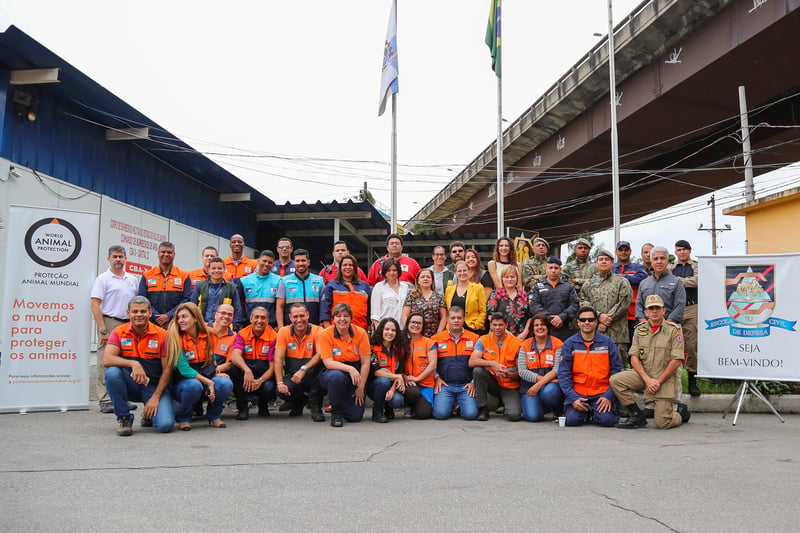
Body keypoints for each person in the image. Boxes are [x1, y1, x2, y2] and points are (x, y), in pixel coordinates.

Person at [611, 295, 691, 429]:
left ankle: (680, 413)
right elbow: (634, 357)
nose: (654, 311)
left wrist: (658, 381)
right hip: (645, 375)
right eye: (651, 308)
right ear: (646, 312)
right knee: (616, 380)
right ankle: (636, 415)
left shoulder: (674, 330)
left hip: (664, 379)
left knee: (662, 423)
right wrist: (647, 379)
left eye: (657, 308)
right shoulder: (639, 329)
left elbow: (677, 360)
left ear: (663, 311)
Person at [103, 296, 174, 435]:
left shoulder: (163, 335)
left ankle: (148, 416)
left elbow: (167, 369)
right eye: (135, 312)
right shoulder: (118, 332)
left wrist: (156, 397)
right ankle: (124, 417)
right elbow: (107, 359)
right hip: (131, 384)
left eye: (143, 311)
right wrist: (133, 363)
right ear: (128, 313)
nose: (139, 315)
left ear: (150, 313)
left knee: (165, 426)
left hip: (153, 387)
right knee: (112, 373)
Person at [167, 302, 233, 430]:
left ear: (195, 318)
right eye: (178, 318)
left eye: (184, 317)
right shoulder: (175, 338)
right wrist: (209, 382)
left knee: (225, 383)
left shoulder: (210, 334)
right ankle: (184, 417)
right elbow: (185, 370)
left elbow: (212, 359)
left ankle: (214, 416)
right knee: (194, 385)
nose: (180, 321)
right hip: (183, 382)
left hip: (204, 375)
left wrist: (216, 373)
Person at [90, 245, 139, 413]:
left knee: (124, 362)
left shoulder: (132, 279)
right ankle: (104, 399)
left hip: (129, 324)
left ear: (126, 259)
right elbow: (95, 303)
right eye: (115, 256)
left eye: (121, 256)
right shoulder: (103, 279)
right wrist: (102, 329)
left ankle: (120, 398)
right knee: (105, 361)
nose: (118, 259)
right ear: (109, 259)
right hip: (110, 322)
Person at [557, 306, 623, 427]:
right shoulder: (569, 344)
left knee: (607, 421)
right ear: (578, 322)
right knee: (572, 420)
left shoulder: (607, 342)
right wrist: (573, 398)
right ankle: (585, 412)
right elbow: (563, 374)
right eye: (583, 320)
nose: (586, 322)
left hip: (601, 393)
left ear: (596, 322)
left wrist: (609, 396)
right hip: (579, 393)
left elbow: (617, 371)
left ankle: (596, 411)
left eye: (590, 319)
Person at [318, 303, 371, 427]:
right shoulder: (326, 334)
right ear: (333, 319)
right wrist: (350, 368)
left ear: (351, 318)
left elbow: (365, 363)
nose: (342, 319)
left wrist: (361, 387)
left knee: (355, 416)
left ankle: (343, 404)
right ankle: (336, 413)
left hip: (355, 376)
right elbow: (328, 362)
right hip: (333, 372)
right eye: (338, 316)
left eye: (346, 316)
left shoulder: (361, 333)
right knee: (337, 377)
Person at [579, 248, 633, 361]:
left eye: (607, 259)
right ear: (596, 263)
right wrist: (598, 316)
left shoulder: (622, 282)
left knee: (618, 369)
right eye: (601, 259)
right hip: (594, 332)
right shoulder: (589, 284)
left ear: (612, 262)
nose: (604, 262)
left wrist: (607, 320)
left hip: (617, 334)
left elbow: (624, 302)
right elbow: (583, 301)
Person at [273, 303, 325, 421]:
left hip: (313, 374)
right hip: (293, 375)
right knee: (280, 390)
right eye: (295, 317)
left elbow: (320, 354)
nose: (299, 320)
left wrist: (304, 369)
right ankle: (299, 402)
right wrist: (280, 382)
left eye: (302, 316)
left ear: (308, 315)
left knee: (321, 377)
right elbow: (278, 358)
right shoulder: (283, 332)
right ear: (290, 317)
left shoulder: (318, 331)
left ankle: (316, 407)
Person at [469, 312, 522, 421]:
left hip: (509, 384)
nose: (497, 328)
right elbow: (472, 361)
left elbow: (521, 372)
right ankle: (483, 408)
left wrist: (510, 374)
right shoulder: (483, 340)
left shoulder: (517, 343)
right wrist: (492, 364)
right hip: (492, 382)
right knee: (478, 371)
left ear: (506, 325)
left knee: (514, 416)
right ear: (490, 325)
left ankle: (506, 405)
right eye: (495, 325)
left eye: (500, 325)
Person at [229, 306, 277, 420]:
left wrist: (260, 381)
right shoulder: (242, 333)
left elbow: (273, 367)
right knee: (234, 369)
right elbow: (235, 355)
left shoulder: (274, 336)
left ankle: (263, 405)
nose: (259, 321)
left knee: (269, 387)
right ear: (251, 319)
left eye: (263, 318)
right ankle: (243, 408)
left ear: (267, 320)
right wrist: (247, 370)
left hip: (264, 375)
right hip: (247, 375)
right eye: (256, 317)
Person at [431, 307, 479, 420]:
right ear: (447, 319)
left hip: (466, 385)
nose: (456, 321)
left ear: (464, 319)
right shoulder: (436, 339)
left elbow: (480, 363)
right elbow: (431, 363)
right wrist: (436, 377)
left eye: (459, 318)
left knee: (471, 415)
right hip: (445, 385)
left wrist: (473, 382)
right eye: (453, 318)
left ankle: (459, 405)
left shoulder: (475, 338)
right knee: (440, 414)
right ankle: (453, 403)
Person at [517, 314, 564, 422]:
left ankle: (557, 410)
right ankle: (542, 407)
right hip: (529, 386)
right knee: (533, 417)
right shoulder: (525, 345)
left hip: (551, 385)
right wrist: (542, 381)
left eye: (542, 324)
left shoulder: (558, 344)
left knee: (550, 392)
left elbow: (557, 369)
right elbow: (522, 371)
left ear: (547, 327)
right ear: (532, 329)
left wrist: (539, 384)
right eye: (536, 325)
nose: (539, 327)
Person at [671, 239, 700, 397]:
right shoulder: (671, 267)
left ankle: (693, 381)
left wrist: (678, 281)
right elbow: (668, 284)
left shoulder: (696, 265)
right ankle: (671, 381)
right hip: (674, 308)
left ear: (689, 251)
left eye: (684, 249)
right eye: (679, 249)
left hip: (692, 307)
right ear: (675, 252)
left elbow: (697, 281)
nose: (681, 252)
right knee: (671, 346)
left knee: (691, 345)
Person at [137, 241, 191, 327]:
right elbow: (142, 298)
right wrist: (156, 316)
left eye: (169, 252)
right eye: (163, 252)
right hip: (151, 322)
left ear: (174, 255)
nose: (166, 254)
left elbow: (186, 300)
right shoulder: (147, 275)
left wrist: (169, 315)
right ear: (158, 254)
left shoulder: (184, 276)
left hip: (175, 323)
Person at [528, 256, 579, 341]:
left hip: (564, 328)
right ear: (546, 269)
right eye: (550, 268)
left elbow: (574, 304)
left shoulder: (568, 286)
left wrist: (562, 317)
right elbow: (534, 305)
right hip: (543, 328)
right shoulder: (537, 286)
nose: (553, 270)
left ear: (560, 269)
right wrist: (549, 318)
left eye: (556, 268)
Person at [367, 318, 408, 423]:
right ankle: (377, 412)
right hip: (375, 385)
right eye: (387, 329)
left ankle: (388, 408)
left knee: (398, 401)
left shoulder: (400, 349)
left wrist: (392, 390)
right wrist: (397, 377)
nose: (390, 333)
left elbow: (400, 372)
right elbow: (376, 372)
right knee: (383, 380)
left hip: (391, 385)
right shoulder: (372, 347)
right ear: (381, 330)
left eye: (393, 330)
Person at [636, 246, 686, 324]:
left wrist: (666, 325)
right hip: (647, 328)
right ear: (651, 262)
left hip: (670, 327)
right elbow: (639, 305)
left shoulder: (677, 282)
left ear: (667, 261)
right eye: (656, 259)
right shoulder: (644, 283)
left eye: (662, 258)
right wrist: (645, 324)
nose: (659, 262)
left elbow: (679, 306)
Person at [320, 254, 371, 330]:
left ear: (355, 268)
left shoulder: (365, 286)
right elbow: (324, 311)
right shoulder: (331, 286)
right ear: (340, 268)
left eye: (350, 265)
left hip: (360, 331)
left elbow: (369, 311)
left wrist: (369, 331)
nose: (347, 267)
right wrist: (329, 331)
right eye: (345, 265)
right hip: (336, 331)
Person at [275, 249, 324, 327]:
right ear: (294, 263)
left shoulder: (319, 281)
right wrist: (281, 328)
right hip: (291, 329)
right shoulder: (284, 281)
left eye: (303, 260)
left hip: (314, 329)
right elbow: (279, 306)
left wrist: (322, 323)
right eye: (297, 261)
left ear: (308, 262)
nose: (300, 263)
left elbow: (323, 306)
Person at [402, 312, 438, 419]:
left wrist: (417, 378)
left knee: (423, 414)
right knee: (412, 393)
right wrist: (405, 377)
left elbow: (433, 365)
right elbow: (398, 365)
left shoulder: (429, 343)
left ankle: (415, 406)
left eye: (419, 323)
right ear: (408, 324)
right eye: (413, 322)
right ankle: (408, 405)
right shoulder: (402, 343)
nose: (416, 325)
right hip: (409, 383)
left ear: (423, 326)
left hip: (426, 384)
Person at [190, 256, 242, 329]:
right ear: (208, 270)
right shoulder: (199, 286)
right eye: (213, 268)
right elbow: (192, 307)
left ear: (224, 270)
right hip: (202, 327)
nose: (216, 271)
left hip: (224, 328)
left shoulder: (232, 288)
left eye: (220, 268)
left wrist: (235, 328)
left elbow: (237, 310)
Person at [612, 240, 649, 342]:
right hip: (616, 315)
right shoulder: (612, 267)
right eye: (621, 250)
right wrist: (629, 278)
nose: (623, 252)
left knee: (636, 345)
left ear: (630, 251)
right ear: (616, 252)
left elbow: (641, 278)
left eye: (626, 250)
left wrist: (618, 278)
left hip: (634, 315)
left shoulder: (638, 267)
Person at [240, 250, 282, 328]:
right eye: (264, 261)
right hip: (248, 326)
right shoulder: (244, 281)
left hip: (271, 327)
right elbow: (240, 305)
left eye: (270, 262)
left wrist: (278, 326)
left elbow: (281, 306)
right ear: (258, 261)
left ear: (273, 264)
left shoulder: (279, 281)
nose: (266, 264)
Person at [402, 268, 446, 338]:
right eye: (422, 277)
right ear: (418, 281)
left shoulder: (439, 297)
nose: (425, 279)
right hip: (415, 335)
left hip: (434, 336)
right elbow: (405, 316)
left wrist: (438, 334)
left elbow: (443, 317)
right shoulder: (411, 296)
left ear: (432, 281)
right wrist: (410, 331)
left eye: (428, 277)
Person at [445, 260, 487, 335]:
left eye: (464, 270)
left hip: (472, 328)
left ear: (469, 271)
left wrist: (476, 325)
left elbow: (483, 310)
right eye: (459, 271)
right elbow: (447, 310)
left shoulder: (478, 288)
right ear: (455, 273)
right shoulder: (449, 290)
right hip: (453, 329)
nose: (462, 273)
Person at [486, 266, 530, 338]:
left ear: (517, 279)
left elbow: (530, 317)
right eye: (506, 277)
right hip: (500, 336)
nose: (509, 279)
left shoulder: (524, 295)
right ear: (502, 279)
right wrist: (506, 332)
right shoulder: (495, 294)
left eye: (512, 277)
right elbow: (491, 316)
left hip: (522, 337)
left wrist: (524, 333)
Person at [370, 258, 413, 329]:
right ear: (384, 271)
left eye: (394, 270)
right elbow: (375, 314)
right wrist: (380, 332)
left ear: (399, 271)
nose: (392, 273)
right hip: (385, 330)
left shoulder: (405, 287)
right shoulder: (378, 287)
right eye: (388, 270)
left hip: (402, 329)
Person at [211, 303, 236, 375]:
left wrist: (214, 372)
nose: (226, 316)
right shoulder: (203, 329)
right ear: (216, 315)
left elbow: (228, 364)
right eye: (223, 313)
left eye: (230, 315)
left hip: (217, 372)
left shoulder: (234, 337)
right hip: (196, 371)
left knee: (226, 383)